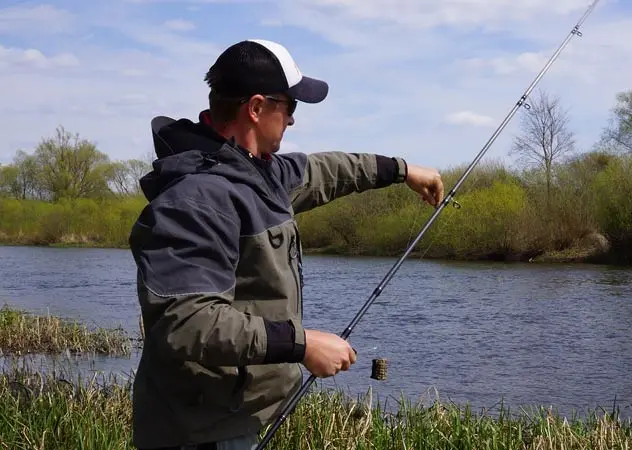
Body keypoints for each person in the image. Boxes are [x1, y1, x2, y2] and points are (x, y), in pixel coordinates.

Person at [127, 39, 444, 450]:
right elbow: (185, 321)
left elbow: (328, 170)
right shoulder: (195, 199)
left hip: (235, 418)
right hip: (201, 432)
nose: (293, 120)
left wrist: (403, 171)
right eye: (289, 106)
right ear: (256, 108)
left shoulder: (260, 174)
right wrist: (302, 343)